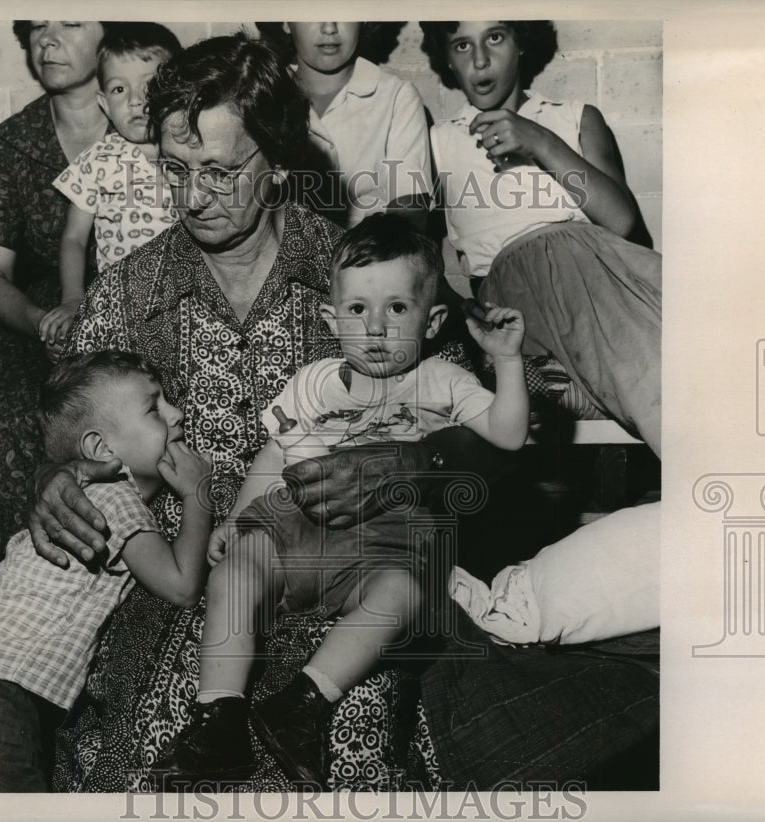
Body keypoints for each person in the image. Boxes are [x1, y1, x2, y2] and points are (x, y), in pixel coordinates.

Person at [29, 33, 490, 792]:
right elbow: (70, 433)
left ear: (276, 163)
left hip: (345, 589)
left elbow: (490, 437)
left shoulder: (362, 280)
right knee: (162, 760)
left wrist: (415, 463)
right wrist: (55, 478)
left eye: (218, 171)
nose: (193, 197)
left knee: (347, 754)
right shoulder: (128, 296)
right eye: (174, 172)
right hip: (185, 595)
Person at [159, 212, 529, 787]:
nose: (375, 328)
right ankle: (221, 716)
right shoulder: (314, 382)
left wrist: (506, 360)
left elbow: (507, 435)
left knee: (406, 593)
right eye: (358, 310)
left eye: (397, 309)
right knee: (234, 572)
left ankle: (304, 702)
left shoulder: (441, 381)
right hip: (296, 524)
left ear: (432, 322)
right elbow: (275, 455)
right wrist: (234, 520)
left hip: (386, 538)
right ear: (331, 318)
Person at [0, 351, 212, 792]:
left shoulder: (86, 497)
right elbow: (181, 585)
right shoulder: (113, 500)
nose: (178, 414)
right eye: (155, 407)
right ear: (100, 448)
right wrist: (197, 494)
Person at [0, 21, 113, 597]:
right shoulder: (16, 140)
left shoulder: (148, 122)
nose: (48, 40)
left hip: (138, 313)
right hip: (36, 323)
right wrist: (42, 322)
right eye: (37, 27)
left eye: (71, 23)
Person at [420, 20, 662, 455]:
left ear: (522, 42)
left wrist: (542, 143)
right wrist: (463, 311)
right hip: (518, 292)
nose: (479, 60)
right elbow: (415, 259)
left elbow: (624, 224)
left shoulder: (573, 118)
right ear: (447, 59)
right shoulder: (438, 142)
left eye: (495, 37)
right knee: (654, 362)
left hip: (603, 275)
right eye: (461, 44)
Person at [42, 24, 181, 353]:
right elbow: (74, 238)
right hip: (120, 306)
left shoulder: (190, 154)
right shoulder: (98, 160)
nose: (135, 101)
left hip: (185, 303)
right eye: (120, 90)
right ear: (104, 102)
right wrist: (74, 299)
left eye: (150, 86)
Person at [259, 21, 431, 228]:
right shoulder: (262, 95)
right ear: (286, 22)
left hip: (370, 255)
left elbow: (409, 213)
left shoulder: (397, 97)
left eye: (344, 10)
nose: (329, 28)